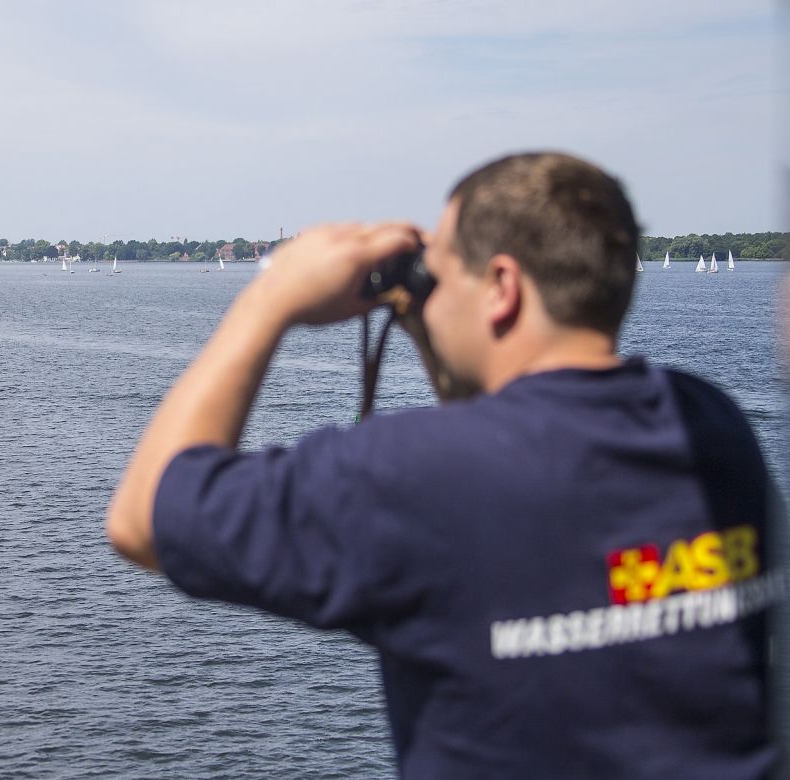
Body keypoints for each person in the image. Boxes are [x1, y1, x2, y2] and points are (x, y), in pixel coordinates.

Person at [105, 152, 782, 777]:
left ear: (502, 287)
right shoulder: (714, 428)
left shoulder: (410, 478)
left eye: (442, 271)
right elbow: (514, 430)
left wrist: (272, 297)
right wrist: (436, 321)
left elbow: (143, 518)